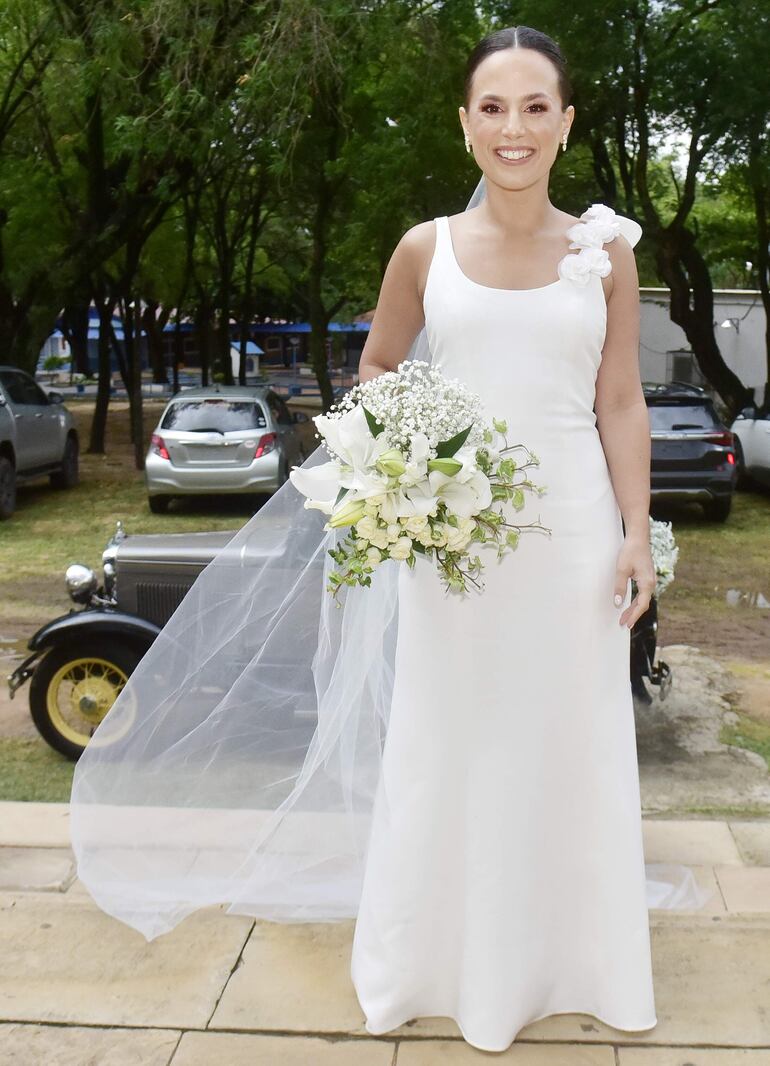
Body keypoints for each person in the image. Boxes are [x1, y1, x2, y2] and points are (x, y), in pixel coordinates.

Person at [69, 23, 711, 1055]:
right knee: (446, 744)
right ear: (464, 125)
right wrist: (417, 462)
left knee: (563, 746)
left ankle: (569, 960)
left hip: (571, 544)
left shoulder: (606, 252)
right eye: (491, 107)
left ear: (565, 122)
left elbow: (623, 401)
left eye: (534, 106)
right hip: (456, 546)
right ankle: (435, 963)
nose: (513, 127)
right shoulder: (424, 248)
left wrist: (636, 533)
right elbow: (375, 369)